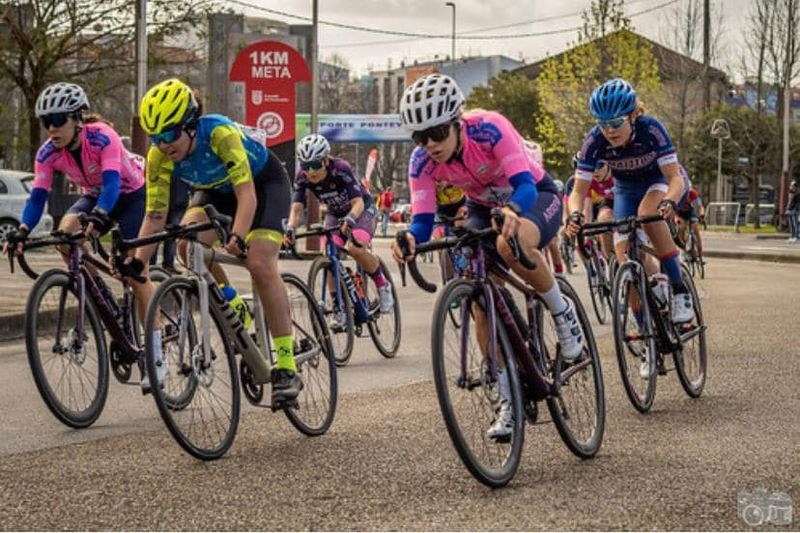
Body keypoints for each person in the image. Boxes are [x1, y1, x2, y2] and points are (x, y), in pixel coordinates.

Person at [390, 73, 585, 440]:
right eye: (419, 137)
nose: (429, 144)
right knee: (480, 298)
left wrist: (512, 208)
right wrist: (410, 239)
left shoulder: (490, 129)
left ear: (456, 123)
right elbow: (423, 220)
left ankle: (563, 312)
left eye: (437, 133)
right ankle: (508, 396)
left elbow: (526, 184)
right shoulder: (421, 163)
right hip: (483, 207)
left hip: (532, 196)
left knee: (509, 244)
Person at [124, 78, 301, 405]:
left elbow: (246, 194)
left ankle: (287, 366)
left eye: (169, 134)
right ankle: (231, 302)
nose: (164, 145)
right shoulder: (159, 156)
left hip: (262, 185)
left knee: (260, 262)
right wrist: (139, 260)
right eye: (155, 137)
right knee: (186, 245)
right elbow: (156, 215)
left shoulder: (220, 134)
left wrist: (236, 234)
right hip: (215, 192)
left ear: (191, 125)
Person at [564, 78, 693, 376]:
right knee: (624, 257)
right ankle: (649, 340)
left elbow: (675, 177)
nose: (609, 130)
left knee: (649, 212)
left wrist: (671, 202)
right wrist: (574, 216)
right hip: (625, 189)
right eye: (603, 123)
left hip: (659, 182)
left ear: (633, 115)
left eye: (617, 122)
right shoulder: (594, 140)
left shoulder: (651, 129)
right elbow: (578, 191)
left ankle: (678, 287)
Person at [5, 82, 146, 321]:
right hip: (94, 195)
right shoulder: (47, 153)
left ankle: (156, 341)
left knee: (133, 271)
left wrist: (100, 214)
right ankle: (101, 294)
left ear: (78, 118)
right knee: (65, 235)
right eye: (45, 121)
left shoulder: (103, 136)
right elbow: (38, 196)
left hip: (130, 194)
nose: (51, 128)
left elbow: (112, 184)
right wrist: (23, 230)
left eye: (58, 119)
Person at [285, 133, 394, 326]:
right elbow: (296, 207)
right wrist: (291, 228)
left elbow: (358, 202)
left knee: (355, 247)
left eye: (316, 165)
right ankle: (339, 308)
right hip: (335, 213)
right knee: (329, 255)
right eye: (305, 166)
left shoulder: (341, 169)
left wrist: (351, 220)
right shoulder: (302, 177)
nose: (311, 171)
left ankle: (383, 285)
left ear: (326, 160)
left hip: (361, 209)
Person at [675, 181, 706, 257]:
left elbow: (700, 206)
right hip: (680, 213)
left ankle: (700, 250)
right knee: (681, 228)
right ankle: (684, 248)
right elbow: (673, 208)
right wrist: (676, 218)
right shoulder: (677, 194)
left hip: (690, 212)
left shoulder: (693, 193)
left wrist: (702, 214)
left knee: (695, 229)